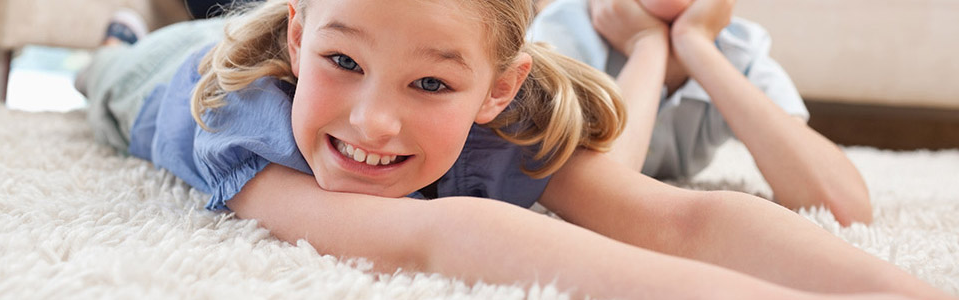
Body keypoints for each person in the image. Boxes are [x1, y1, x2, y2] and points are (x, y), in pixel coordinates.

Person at [76, 0, 954, 299]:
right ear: (304, 38)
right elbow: (436, 235)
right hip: (162, 74)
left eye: (430, 86)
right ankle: (113, 42)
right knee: (107, 71)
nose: (372, 124)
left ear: (497, 88)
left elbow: (675, 220)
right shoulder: (236, 119)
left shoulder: (518, 111)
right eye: (342, 62)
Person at [528, 0, 873, 226]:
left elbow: (844, 208)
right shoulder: (563, 33)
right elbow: (597, 204)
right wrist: (647, 45)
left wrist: (695, 42)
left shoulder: (737, 48)